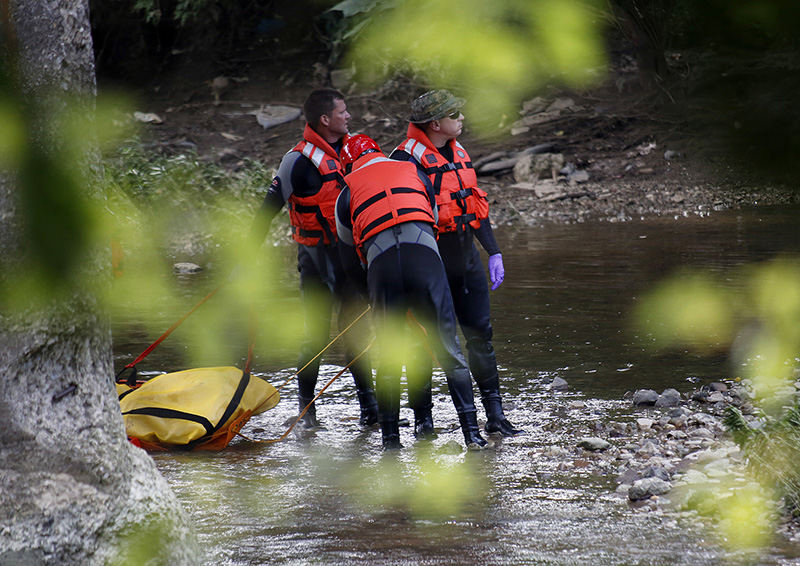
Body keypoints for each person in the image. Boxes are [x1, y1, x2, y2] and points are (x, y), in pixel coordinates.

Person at [335, 134, 487, 451]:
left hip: (383, 270)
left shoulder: (346, 193)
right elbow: (431, 218)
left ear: (349, 163)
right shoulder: (413, 170)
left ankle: (391, 442)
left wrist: (371, 298)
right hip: (425, 263)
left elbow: (349, 259)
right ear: (377, 150)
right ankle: (472, 434)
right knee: (448, 347)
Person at [390, 89, 523, 438]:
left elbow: (474, 207)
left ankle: (495, 415)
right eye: (455, 115)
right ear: (436, 123)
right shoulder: (404, 160)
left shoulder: (458, 153)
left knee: (481, 336)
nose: (462, 119)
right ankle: (424, 420)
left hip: (467, 262)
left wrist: (493, 251)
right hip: (427, 268)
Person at [251, 88, 378, 429]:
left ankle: (370, 411)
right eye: (343, 112)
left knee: (356, 333)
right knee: (315, 336)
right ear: (325, 119)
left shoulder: (357, 152)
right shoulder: (297, 161)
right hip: (316, 260)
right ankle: (308, 414)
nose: (349, 116)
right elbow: (265, 213)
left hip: (353, 259)